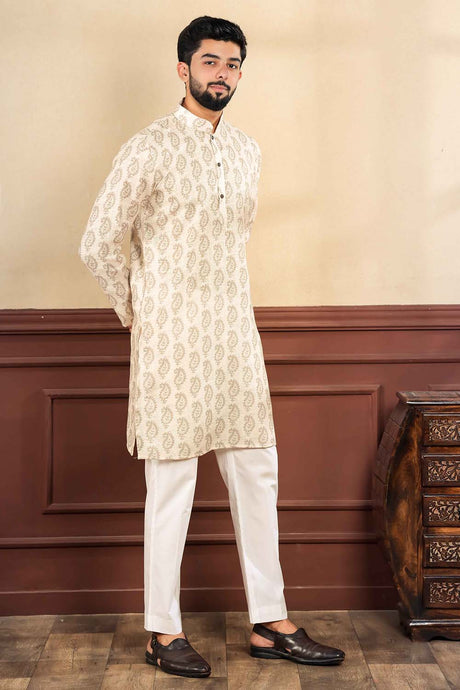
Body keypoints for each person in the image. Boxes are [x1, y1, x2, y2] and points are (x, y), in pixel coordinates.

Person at [78, 15, 345, 680]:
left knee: (257, 473)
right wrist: (139, 313)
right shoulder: (149, 147)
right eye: (209, 61)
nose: (222, 73)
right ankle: (162, 631)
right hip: (171, 341)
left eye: (232, 63)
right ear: (183, 69)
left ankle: (270, 622)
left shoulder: (248, 151)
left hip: (234, 335)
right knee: (171, 484)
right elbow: (99, 241)